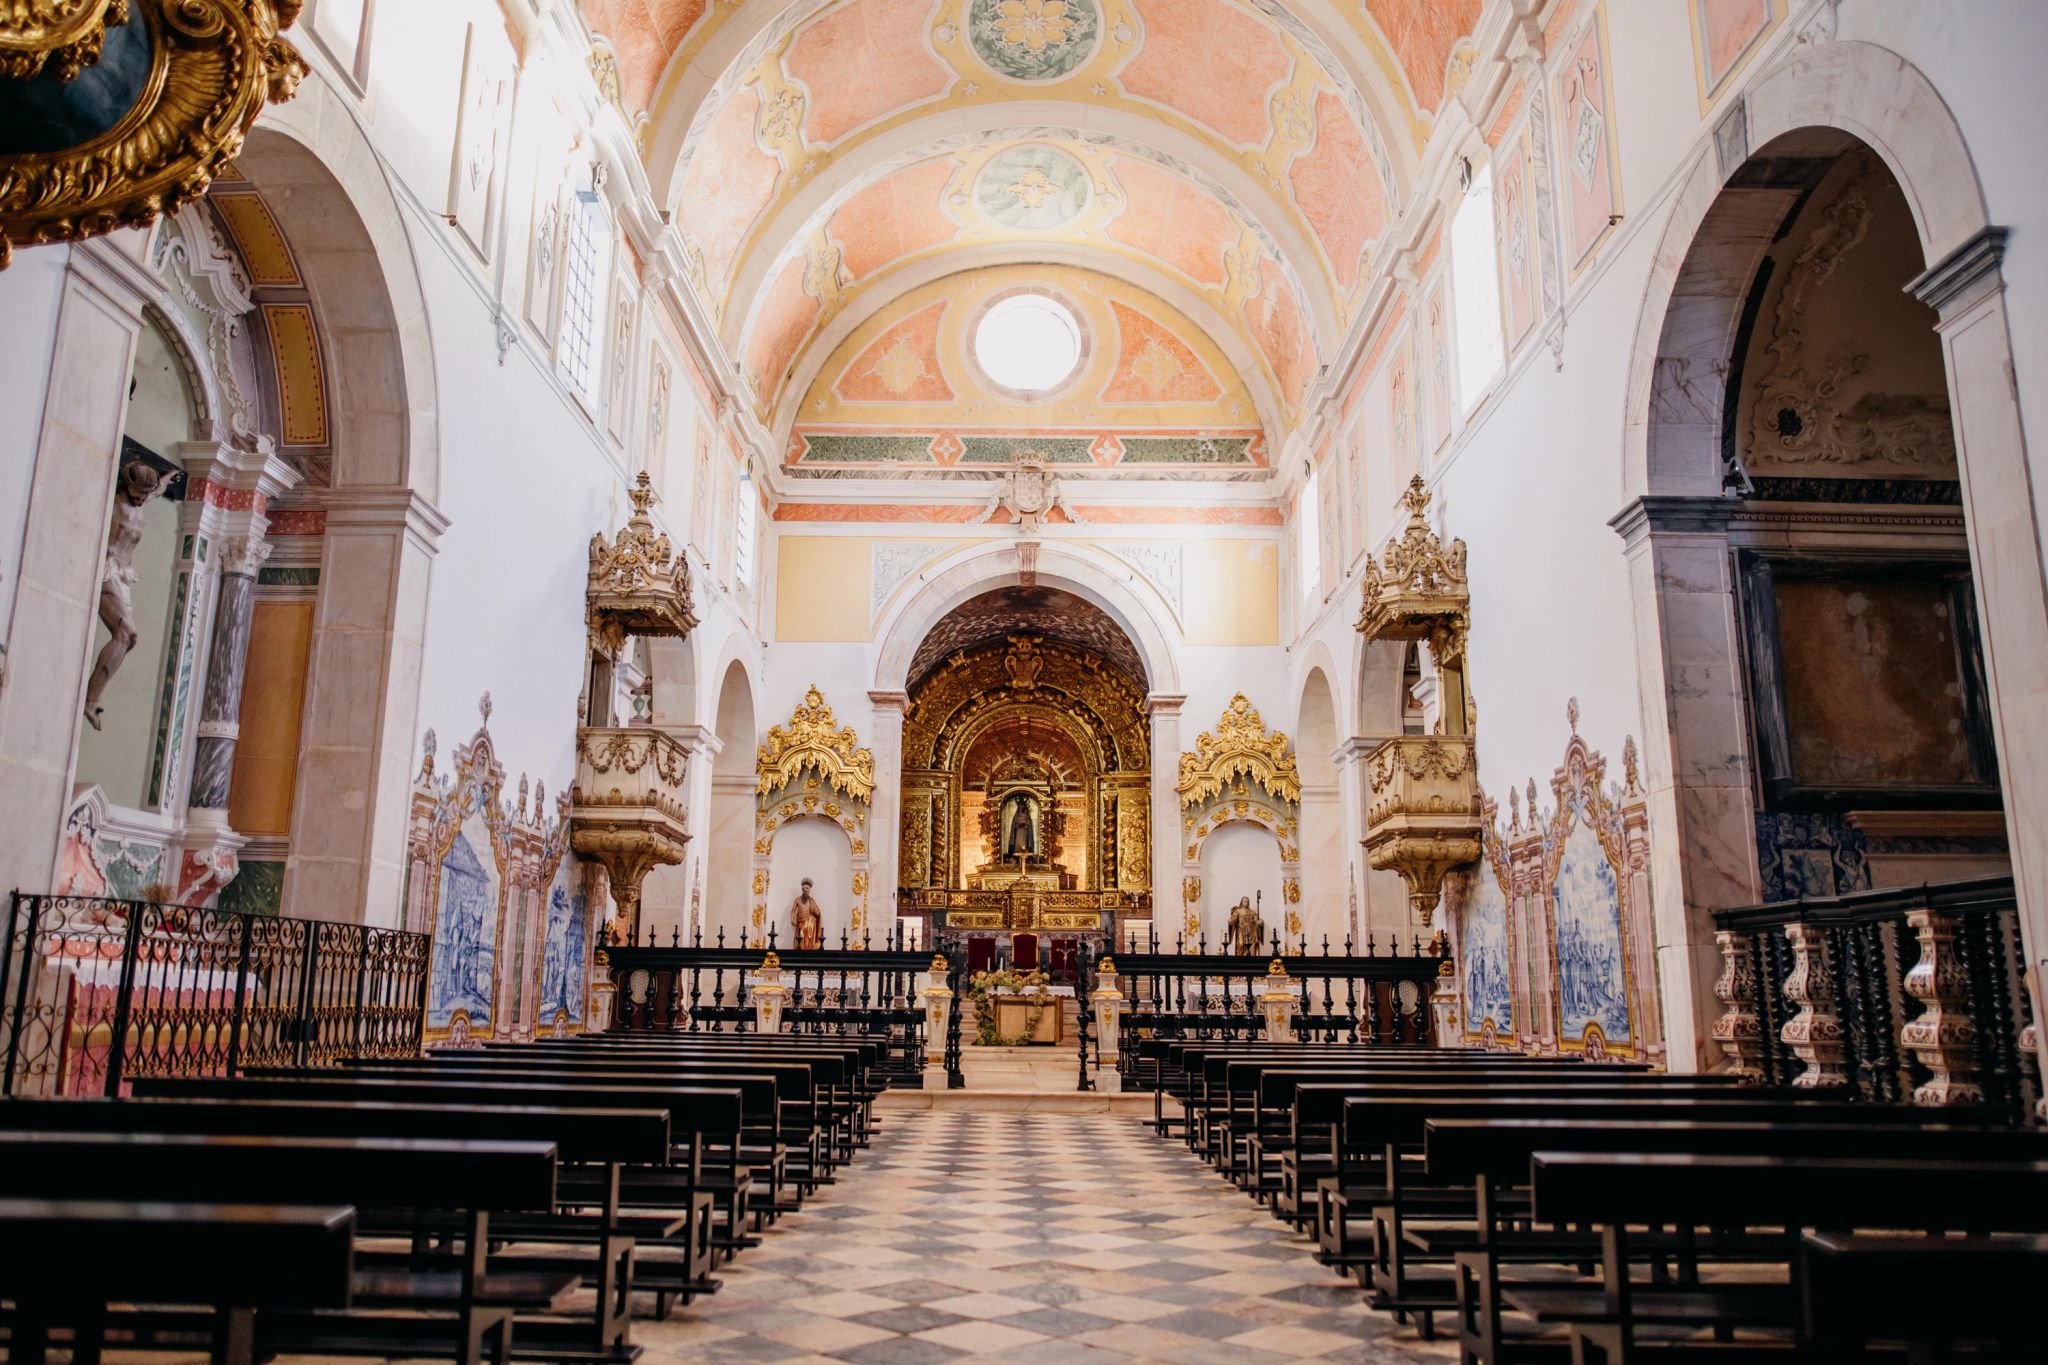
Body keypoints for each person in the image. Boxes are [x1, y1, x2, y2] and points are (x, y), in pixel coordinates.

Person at [789, 877, 823, 950]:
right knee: (800, 938)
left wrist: (817, 913)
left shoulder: (811, 900)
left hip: (810, 923)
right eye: (803, 888)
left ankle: (809, 950)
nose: (805, 890)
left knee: (809, 939)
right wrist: (792, 919)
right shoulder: (797, 900)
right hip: (800, 922)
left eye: (807, 888)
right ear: (802, 889)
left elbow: (817, 912)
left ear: (809, 890)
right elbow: (793, 910)